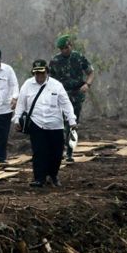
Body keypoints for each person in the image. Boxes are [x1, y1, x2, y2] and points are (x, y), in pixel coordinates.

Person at [13, 59, 77, 187]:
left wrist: (71, 120)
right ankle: (39, 178)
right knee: (39, 152)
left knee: (57, 152)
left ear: (46, 72)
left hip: (55, 124)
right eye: (36, 73)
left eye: (41, 73)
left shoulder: (56, 85)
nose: (39, 76)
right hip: (37, 123)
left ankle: (53, 175)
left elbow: (65, 103)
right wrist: (17, 118)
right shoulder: (27, 85)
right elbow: (21, 103)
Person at [49, 35, 95, 163]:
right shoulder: (55, 61)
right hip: (60, 95)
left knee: (72, 124)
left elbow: (90, 72)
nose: (65, 50)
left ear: (71, 46)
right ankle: (59, 150)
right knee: (59, 123)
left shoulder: (78, 57)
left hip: (76, 95)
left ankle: (69, 152)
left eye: (66, 47)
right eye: (62, 48)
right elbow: (49, 80)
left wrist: (87, 84)